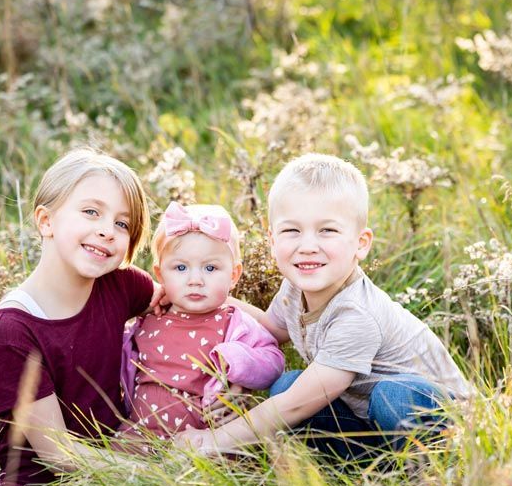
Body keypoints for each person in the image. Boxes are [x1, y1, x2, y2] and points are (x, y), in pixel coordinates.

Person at [175, 153, 472, 458]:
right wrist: (205, 299)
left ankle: (428, 474)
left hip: (443, 419)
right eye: (292, 231)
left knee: (389, 396)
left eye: (327, 230)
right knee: (286, 385)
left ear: (361, 243)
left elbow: (299, 404)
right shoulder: (294, 288)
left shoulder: (356, 313)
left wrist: (214, 440)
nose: (307, 246)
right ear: (272, 238)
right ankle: (372, 472)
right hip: (371, 421)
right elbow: (268, 330)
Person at [0, 148, 158, 486]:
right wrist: (153, 476)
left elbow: (188, 298)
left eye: (122, 223)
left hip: (117, 451)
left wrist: (275, 322)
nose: (106, 231)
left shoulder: (120, 284)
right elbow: (58, 454)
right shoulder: (12, 332)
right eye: (91, 212)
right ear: (46, 221)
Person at [117, 202, 284, 450]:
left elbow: (274, 361)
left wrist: (236, 360)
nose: (195, 280)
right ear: (160, 274)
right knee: (113, 463)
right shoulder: (146, 321)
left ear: (234, 275)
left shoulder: (233, 322)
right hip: (140, 435)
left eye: (210, 268)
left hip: (204, 440)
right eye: (181, 268)